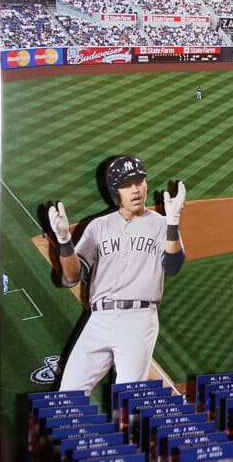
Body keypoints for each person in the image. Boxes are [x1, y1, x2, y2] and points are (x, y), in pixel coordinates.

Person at [48, 155, 186, 395]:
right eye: (126, 184)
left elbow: (173, 265)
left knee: (127, 400)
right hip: (99, 319)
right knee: (67, 396)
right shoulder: (98, 226)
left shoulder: (160, 224)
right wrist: (64, 241)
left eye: (139, 181)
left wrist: (172, 223)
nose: (135, 189)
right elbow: (71, 276)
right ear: (115, 191)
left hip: (138, 318)